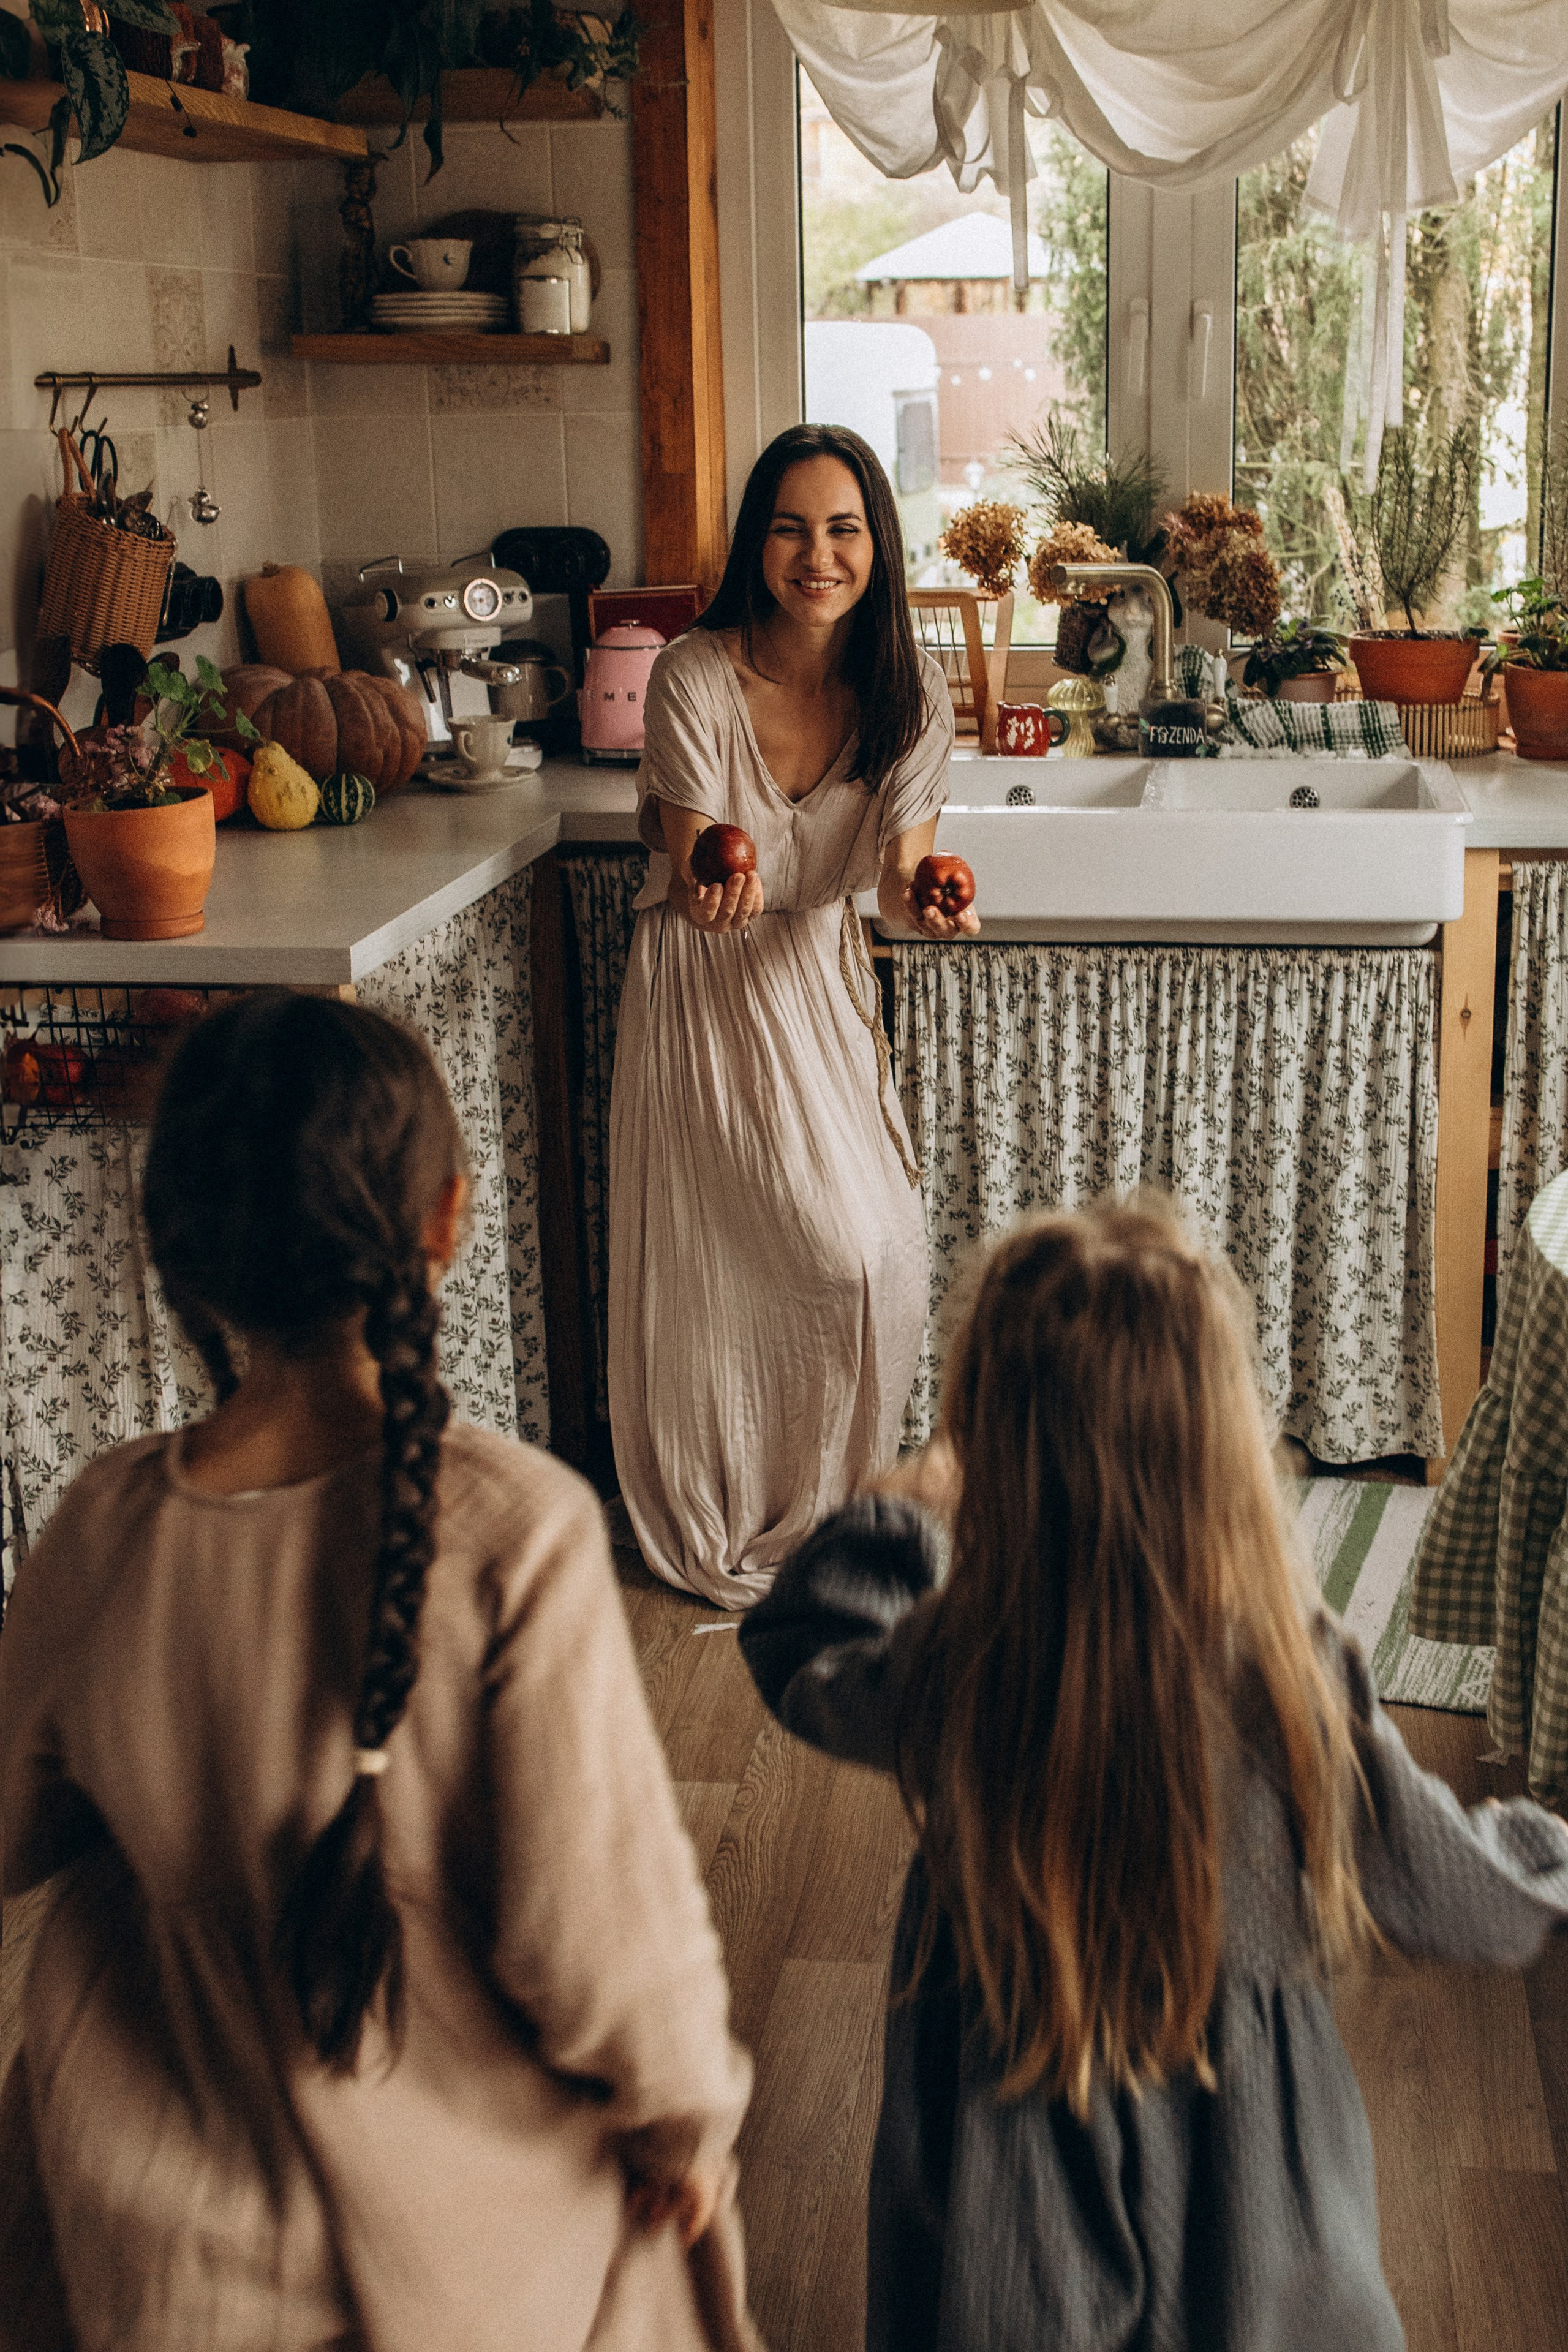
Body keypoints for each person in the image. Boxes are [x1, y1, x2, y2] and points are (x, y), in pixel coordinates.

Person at [0, 993, 758, 2352]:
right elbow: (601, 1941)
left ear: (178, 1248)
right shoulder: (515, 1531)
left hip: (166, 2259)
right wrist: (682, 2123)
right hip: (479, 2265)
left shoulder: (99, 1530)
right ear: (446, 1222)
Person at [739, 1198, 1568, 2352]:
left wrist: (895, 1511)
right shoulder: (1287, 1670)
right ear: (1222, 1441)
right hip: (1248, 2203)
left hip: (1006, 2175)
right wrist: (1547, 1856)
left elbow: (801, 1655)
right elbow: (1442, 1880)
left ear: (988, 1446)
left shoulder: (963, 1657)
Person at [609, 421, 978, 1610]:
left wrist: (930, 900)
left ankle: (830, 1507)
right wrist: (716, 877)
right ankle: (730, 1505)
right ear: (752, 545)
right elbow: (697, 857)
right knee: (745, 1267)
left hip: (817, 983)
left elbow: (894, 882)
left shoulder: (908, 703)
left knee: (884, 1259)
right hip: (702, 992)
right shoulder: (691, 678)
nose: (815, 555)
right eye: (787, 528)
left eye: (841, 529)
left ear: (877, 542)